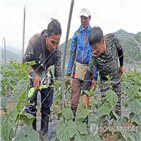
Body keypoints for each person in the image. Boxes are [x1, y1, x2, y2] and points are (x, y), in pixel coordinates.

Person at [22, 19, 62, 141]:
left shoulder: (57, 51)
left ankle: (44, 135)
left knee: (46, 106)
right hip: (33, 72)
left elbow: (58, 69)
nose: (55, 46)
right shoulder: (34, 42)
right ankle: (33, 134)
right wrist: (34, 75)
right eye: (53, 42)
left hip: (46, 73)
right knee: (31, 105)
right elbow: (24, 63)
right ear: (46, 37)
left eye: (58, 43)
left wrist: (60, 82)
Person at [82, 26, 124, 124]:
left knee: (117, 103)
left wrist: (121, 66)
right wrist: (84, 95)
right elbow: (88, 73)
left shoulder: (112, 39)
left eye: (96, 48)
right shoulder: (94, 55)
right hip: (104, 80)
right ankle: (104, 127)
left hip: (115, 77)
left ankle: (118, 126)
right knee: (104, 105)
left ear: (102, 41)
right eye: (92, 49)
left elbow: (120, 50)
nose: (95, 51)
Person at [65, 7, 98, 118]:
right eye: (81, 18)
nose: (83, 20)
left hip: (88, 70)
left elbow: (96, 55)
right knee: (74, 100)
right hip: (77, 69)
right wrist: (68, 74)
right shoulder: (77, 33)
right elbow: (72, 54)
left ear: (89, 18)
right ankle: (73, 127)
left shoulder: (93, 33)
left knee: (85, 101)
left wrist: (95, 77)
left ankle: (84, 127)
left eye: (85, 18)